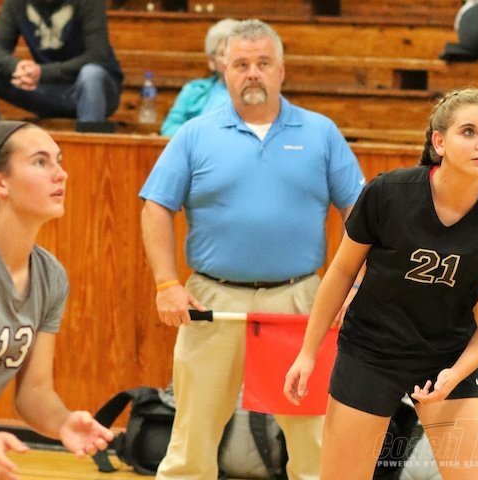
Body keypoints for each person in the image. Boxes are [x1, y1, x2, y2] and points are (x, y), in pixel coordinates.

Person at [139, 19, 365, 480]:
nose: (253, 73)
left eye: (263, 63)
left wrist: (357, 284)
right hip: (211, 300)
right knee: (192, 437)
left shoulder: (321, 132)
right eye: (241, 64)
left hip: (300, 302)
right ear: (224, 71)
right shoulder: (195, 134)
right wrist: (166, 284)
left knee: (313, 437)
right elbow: (155, 207)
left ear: (282, 70)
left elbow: (360, 214)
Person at [284, 88, 478, 479]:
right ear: (439, 142)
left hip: (447, 356)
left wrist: (458, 371)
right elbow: (341, 272)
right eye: (469, 132)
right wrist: (307, 352)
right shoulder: (389, 193)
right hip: (370, 351)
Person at [0, 121, 114, 480]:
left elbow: (34, 391)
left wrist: (63, 422)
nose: (60, 173)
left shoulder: (50, 276)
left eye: (59, 160)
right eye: (40, 162)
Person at [0, 0, 123, 128]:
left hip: (92, 90)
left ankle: (90, 146)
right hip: (44, 88)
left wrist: (42, 72)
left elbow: (97, 56)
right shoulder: (17, 3)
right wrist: (17, 67)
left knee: (91, 74)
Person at [160, 18, 240, 137]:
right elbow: (169, 128)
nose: (229, 59)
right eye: (223, 54)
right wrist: (199, 138)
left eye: (235, 53)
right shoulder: (194, 90)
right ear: (211, 62)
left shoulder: (255, 93)